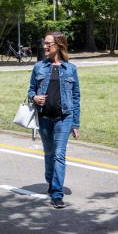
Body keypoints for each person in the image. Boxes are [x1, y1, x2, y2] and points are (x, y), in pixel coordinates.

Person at [28, 31, 80, 209]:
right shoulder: (39, 67)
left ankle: (57, 193)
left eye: (48, 44)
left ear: (58, 45)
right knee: (49, 154)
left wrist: (75, 123)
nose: (44, 46)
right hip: (44, 118)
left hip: (64, 119)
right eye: (44, 43)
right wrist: (34, 97)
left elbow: (76, 97)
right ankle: (51, 183)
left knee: (59, 154)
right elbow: (31, 90)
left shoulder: (71, 69)